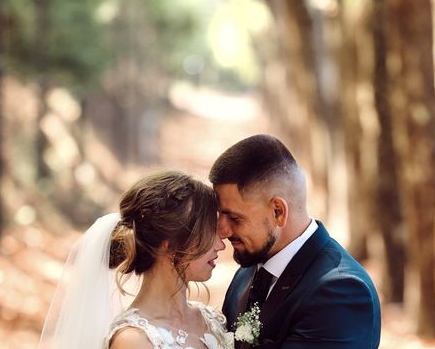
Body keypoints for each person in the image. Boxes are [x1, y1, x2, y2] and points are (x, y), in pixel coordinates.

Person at [210, 134, 381, 348]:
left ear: (278, 211)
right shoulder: (247, 271)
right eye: (220, 216)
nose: (223, 230)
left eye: (234, 218)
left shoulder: (339, 292)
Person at [38, 171, 233, 349]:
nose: (221, 244)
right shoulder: (133, 340)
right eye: (209, 232)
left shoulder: (212, 320)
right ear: (168, 244)